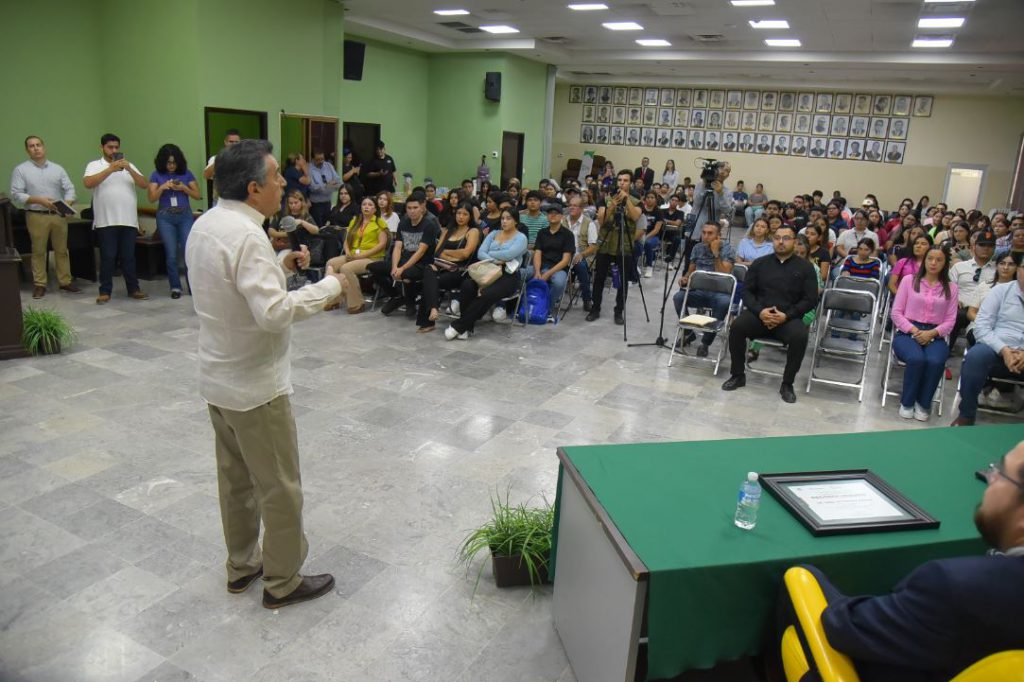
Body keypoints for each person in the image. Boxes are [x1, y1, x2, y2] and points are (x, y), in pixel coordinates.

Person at [184, 139, 342, 610]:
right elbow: (273, 314)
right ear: (254, 188)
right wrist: (331, 287)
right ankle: (283, 580)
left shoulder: (207, 224)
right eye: (275, 177)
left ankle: (242, 566)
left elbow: (234, 291)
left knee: (235, 482)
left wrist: (277, 265)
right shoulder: (249, 236)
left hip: (218, 379)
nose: (282, 183)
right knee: (279, 487)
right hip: (256, 388)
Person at [780, 440, 1024, 681]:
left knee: (799, 577)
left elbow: (843, 628)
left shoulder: (954, 586)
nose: (991, 478)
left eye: (1001, 473)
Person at [722, 225, 818, 403]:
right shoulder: (760, 263)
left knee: (800, 337)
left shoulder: (805, 268)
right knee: (736, 327)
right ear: (773, 240)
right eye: (777, 238)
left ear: (794, 241)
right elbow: (747, 292)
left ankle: (787, 383)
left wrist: (787, 315)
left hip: (787, 318)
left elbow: (810, 299)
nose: (781, 242)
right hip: (760, 315)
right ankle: (737, 375)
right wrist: (760, 311)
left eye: (786, 238)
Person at [952, 256, 1024, 426]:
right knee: (975, 357)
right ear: (1019, 270)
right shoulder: (1000, 291)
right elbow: (981, 328)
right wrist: (1004, 350)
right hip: (997, 348)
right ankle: (966, 415)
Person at [890, 247, 958, 421]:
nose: (933, 263)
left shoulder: (951, 288)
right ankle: (907, 402)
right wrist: (914, 330)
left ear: (945, 264)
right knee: (916, 359)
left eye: (939, 260)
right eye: (930, 259)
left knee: (935, 360)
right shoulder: (908, 280)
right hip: (907, 331)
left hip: (936, 334)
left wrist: (932, 333)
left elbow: (950, 320)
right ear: (924, 261)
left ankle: (923, 403)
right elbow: (896, 313)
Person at [10, 135, 80, 298]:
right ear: (27, 150)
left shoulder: (57, 169)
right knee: (38, 251)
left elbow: (70, 188)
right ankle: (40, 284)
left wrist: (67, 204)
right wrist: (38, 200)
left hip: (58, 215)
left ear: (44, 147)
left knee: (62, 250)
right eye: (31, 146)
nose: (36, 148)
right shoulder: (21, 170)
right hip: (36, 215)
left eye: (38, 145)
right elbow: (16, 194)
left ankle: (65, 282)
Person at [83, 133, 150, 304]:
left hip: (128, 220)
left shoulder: (129, 165)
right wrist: (110, 169)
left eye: (116, 147)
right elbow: (88, 183)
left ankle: (133, 289)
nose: (113, 150)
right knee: (108, 256)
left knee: (129, 256)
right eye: (110, 147)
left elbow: (144, 184)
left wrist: (129, 169)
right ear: (102, 148)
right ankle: (105, 291)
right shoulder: (94, 165)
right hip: (106, 220)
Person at [444, 208, 528, 340]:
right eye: (502, 218)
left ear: (516, 221)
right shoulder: (494, 233)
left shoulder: (521, 237)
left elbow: (509, 254)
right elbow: (480, 253)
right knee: (467, 285)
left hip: (508, 275)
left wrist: (490, 255)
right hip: (486, 271)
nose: (504, 221)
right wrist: (497, 259)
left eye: (508, 218)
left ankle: (459, 326)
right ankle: (467, 327)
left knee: (487, 294)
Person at [367, 191, 440, 317]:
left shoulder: (429, 225)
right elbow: (398, 247)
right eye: (409, 208)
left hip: (421, 264)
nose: (412, 211)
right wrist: (395, 266)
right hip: (403, 261)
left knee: (406, 273)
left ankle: (410, 302)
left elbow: (421, 251)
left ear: (421, 208)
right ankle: (397, 295)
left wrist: (402, 268)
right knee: (372, 268)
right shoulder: (403, 223)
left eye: (415, 208)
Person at [587, 170, 644, 326]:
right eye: (619, 180)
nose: (622, 183)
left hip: (624, 245)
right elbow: (602, 220)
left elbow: (635, 217)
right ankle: (595, 308)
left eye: (625, 180)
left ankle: (618, 311)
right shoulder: (605, 200)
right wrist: (612, 205)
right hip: (606, 244)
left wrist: (627, 200)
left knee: (623, 281)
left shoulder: (636, 201)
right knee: (599, 278)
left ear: (630, 183)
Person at [673, 221, 736, 357]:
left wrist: (715, 253)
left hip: (719, 292)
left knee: (724, 303)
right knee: (678, 297)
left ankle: (705, 343)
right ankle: (689, 333)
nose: (705, 236)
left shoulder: (728, 249)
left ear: (718, 236)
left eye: (710, 233)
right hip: (699, 291)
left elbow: (725, 274)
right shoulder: (697, 248)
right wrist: (685, 278)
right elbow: (691, 271)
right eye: (704, 233)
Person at [415, 201, 480, 332]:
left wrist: (447, 253)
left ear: (470, 217)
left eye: (465, 214)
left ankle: (429, 318)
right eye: (458, 213)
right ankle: (433, 308)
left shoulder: (473, 231)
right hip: (442, 267)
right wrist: (454, 256)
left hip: (460, 271)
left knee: (430, 280)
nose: (461, 217)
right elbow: (437, 253)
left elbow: (466, 254)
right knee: (429, 271)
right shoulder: (447, 231)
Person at [147, 144, 201, 298]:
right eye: (168, 162)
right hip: (166, 217)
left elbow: (197, 195)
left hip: (184, 216)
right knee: (171, 254)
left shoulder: (186, 174)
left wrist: (184, 188)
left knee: (188, 252)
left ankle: (192, 286)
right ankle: (175, 287)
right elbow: (151, 198)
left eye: (174, 162)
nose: (171, 166)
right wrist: (162, 188)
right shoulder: (156, 175)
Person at [322, 195, 388, 314]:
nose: (366, 207)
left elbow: (382, 245)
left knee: (346, 268)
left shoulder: (379, 223)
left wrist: (361, 256)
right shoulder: (355, 221)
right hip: (352, 255)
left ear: (375, 209)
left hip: (372, 258)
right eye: (364, 204)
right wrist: (347, 252)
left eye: (370, 205)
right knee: (330, 263)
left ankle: (357, 303)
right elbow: (347, 240)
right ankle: (334, 300)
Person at [949, 229, 998, 347]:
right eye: (982, 245)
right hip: (962, 307)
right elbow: (948, 287)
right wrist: (954, 299)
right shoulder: (959, 267)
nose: (986, 248)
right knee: (956, 314)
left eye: (990, 245)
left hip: (985, 310)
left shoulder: (998, 270)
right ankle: (945, 351)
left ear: (994, 249)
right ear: (974, 247)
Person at [524, 204, 576, 315]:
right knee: (520, 273)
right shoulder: (542, 232)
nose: (552, 215)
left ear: (561, 216)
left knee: (559, 283)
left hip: (558, 269)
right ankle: (522, 304)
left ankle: (547, 307)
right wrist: (537, 271)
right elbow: (537, 253)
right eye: (550, 213)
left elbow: (565, 260)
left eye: (555, 213)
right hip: (540, 266)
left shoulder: (568, 235)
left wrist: (548, 274)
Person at [565, 195, 599, 312]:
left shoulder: (589, 223)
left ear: (581, 208)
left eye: (575, 206)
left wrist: (581, 255)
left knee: (581, 266)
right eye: (570, 205)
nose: (571, 208)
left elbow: (594, 246)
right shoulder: (563, 220)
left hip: (581, 255)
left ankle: (587, 299)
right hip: (563, 255)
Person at [306, 150, 341, 226]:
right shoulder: (308, 169)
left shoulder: (328, 166)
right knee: (317, 227)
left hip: (328, 203)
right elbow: (311, 187)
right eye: (318, 160)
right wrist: (326, 186)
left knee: (327, 226)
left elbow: (338, 182)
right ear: (312, 159)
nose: (321, 161)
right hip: (316, 205)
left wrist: (330, 186)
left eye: (322, 159)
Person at [635, 191, 663, 278]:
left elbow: (656, 230)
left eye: (652, 198)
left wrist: (645, 237)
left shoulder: (659, 212)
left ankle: (649, 266)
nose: (650, 200)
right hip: (640, 234)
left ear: (656, 199)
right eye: (648, 197)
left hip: (653, 236)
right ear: (645, 199)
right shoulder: (641, 209)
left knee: (647, 243)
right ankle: (634, 265)